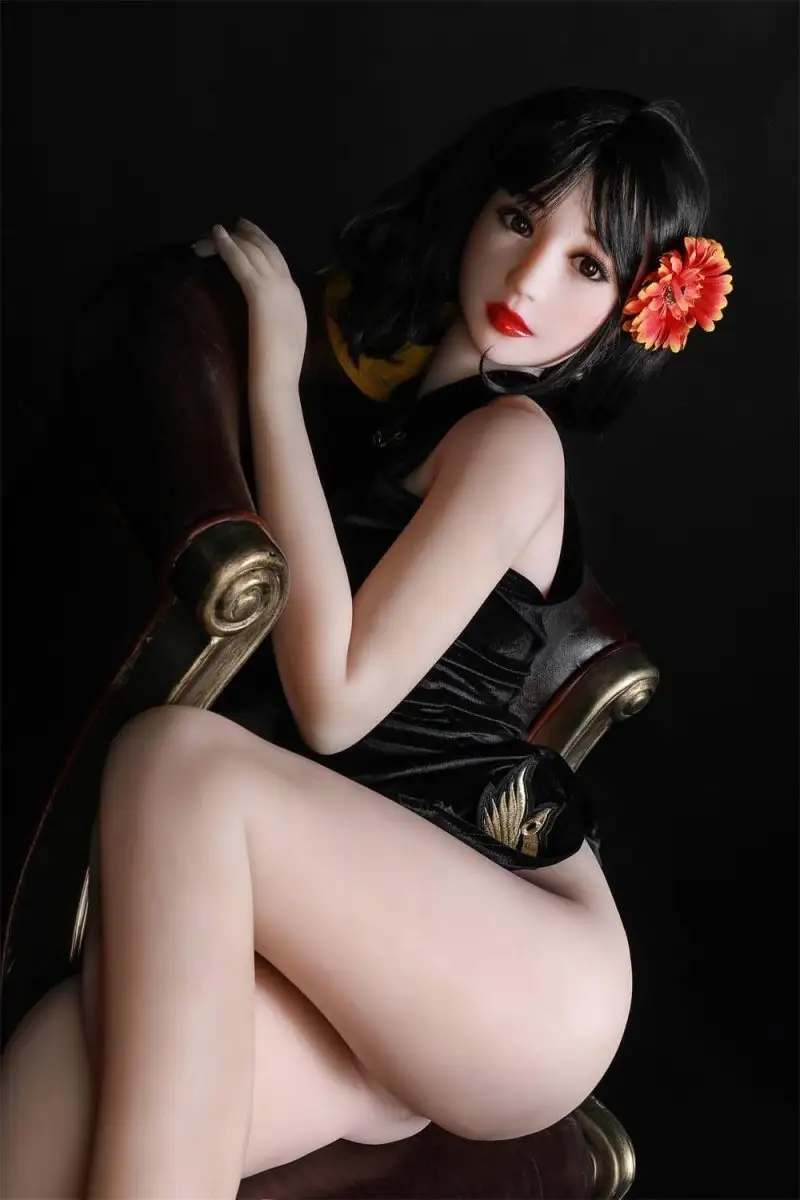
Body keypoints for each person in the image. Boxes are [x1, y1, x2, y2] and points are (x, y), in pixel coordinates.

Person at [0, 86, 732, 1199]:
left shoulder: (513, 443)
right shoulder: (401, 427)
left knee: (176, 762)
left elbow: (336, 700)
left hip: (521, 959)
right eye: (519, 218)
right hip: (375, 957)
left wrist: (269, 373)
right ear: (474, 207)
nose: (530, 280)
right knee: (45, 1085)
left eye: (588, 265)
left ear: (630, 310)